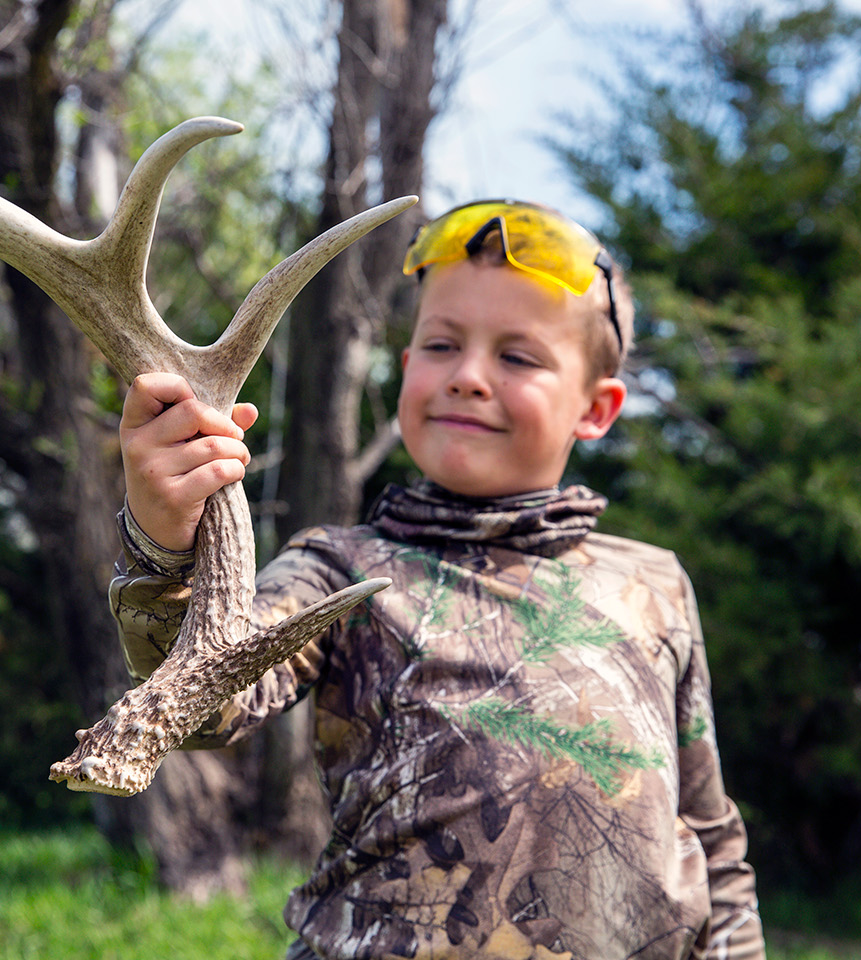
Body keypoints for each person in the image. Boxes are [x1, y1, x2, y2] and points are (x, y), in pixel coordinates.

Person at [111, 200, 766, 960]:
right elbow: (195, 709)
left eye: (517, 357)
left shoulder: (655, 586)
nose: (469, 378)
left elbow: (710, 834)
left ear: (597, 408)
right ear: (405, 369)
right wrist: (162, 538)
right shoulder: (341, 569)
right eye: (441, 344)